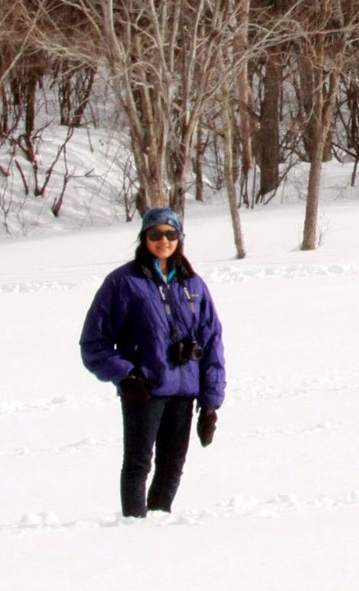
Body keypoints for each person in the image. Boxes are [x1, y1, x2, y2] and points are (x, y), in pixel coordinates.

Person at [80, 207, 228, 517]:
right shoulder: (124, 282)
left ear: (180, 238)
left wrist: (210, 403)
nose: (164, 240)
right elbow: (94, 343)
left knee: (172, 465)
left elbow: (212, 342)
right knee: (138, 464)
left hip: (183, 391)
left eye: (171, 234)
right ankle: (134, 527)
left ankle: (159, 525)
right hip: (145, 389)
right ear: (144, 237)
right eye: (156, 234)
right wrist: (127, 375)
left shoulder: (193, 284)